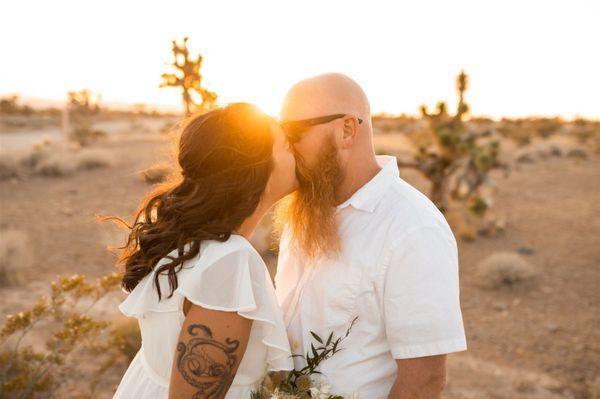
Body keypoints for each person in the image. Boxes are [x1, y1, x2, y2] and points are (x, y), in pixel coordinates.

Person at [274, 73, 467, 398]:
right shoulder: (303, 215)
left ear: (347, 129)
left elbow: (424, 380)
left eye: (294, 132)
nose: (286, 147)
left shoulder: (412, 228)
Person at [112, 103, 296, 398]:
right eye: (287, 145)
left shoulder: (190, 239)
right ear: (257, 170)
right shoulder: (229, 261)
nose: (296, 152)